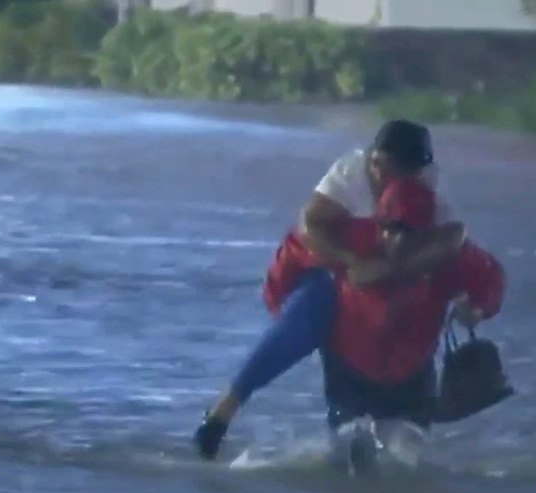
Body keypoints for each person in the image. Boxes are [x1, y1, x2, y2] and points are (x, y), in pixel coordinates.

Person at [193, 120, 467, 459]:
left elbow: (455, 240)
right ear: (373, 162)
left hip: (388, 290)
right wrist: (351, 263)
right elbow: (309, 224)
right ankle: (224, 410)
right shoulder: (350, 173)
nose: (388, 182)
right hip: (326, 270)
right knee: (317, 306)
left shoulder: (428, 184)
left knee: (407, 330)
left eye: (401, 176)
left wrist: (396, 270)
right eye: (382, 171)